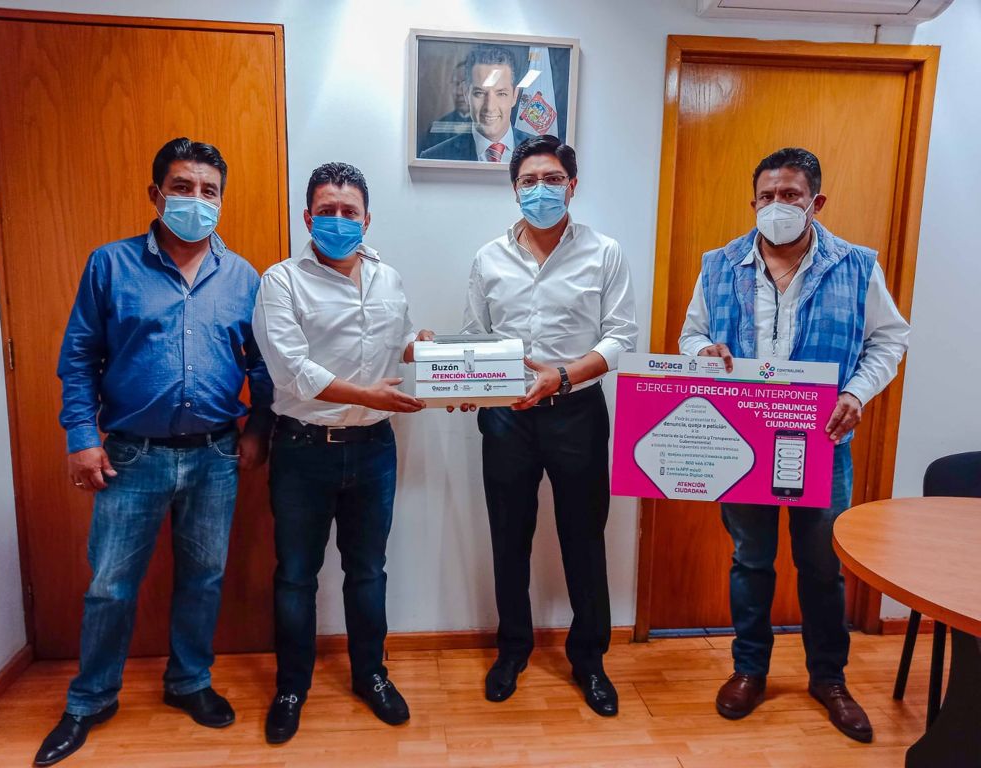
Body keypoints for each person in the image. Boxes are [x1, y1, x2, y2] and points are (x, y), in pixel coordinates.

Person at [35, 138, 273, 766]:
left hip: (215, 456)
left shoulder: (243, 277)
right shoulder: (110, 265)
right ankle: (90, 699)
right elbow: (79, 359)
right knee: (110, 585)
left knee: (204, 578)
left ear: (221, 200)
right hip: (130, 457)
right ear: (156, 194)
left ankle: (189, 681)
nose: (197, 201)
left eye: (209, 191)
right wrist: (81, 438)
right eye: (183, 187)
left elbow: (262, 366)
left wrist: (258, 430)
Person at [679, 147, 910, 743]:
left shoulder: (856, 265)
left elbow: (889, 339)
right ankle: (749, 671)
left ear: (816, 202)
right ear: (753, 202)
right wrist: (703, 352)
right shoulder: (719, 265)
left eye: (790, 195)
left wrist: (856, 392)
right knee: (750, 561)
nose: (777, 205)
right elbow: (691, 334)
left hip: (822, 441)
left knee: (822, 566)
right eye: (767, 196)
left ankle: (829, 679)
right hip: (741, 442)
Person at [253, 162, 432, 744]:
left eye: (348, 211)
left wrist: (429, 353)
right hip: (303, 451)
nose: (337, 220)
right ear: (308, 219)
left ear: (366, 219)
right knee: (295, 576)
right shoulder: (281, 281)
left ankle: (371, 675)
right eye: (325, 211)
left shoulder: (388, 278)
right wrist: (365, 394)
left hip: (374, 449)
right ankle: (291, 688)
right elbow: (291, 370)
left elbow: (399, 341)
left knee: (368, 571)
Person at [460, 135, 638, 715]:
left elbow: (620, 337)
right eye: (529, 181)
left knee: (584, 538)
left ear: (572, 186)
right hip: (506, 417)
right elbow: (475, 337)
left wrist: (562, 376)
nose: (541, 190)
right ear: (515, 189)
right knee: (508, 536)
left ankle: (590, 660)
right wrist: (461, 382)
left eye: (553, 179)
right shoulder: (487, 258)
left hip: (577, 413)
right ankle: (513, 649)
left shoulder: (604, 253)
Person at [421, 45, 530, 163]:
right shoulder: (433, 157)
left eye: (501, 94)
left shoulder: (543, 152)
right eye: (479, 93)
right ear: (466, 93)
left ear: (514, 96)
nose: (489, 107)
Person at [419, 59, 472, 152]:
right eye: (456, 84)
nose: (459, 92)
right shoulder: (436, 128)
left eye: (466, 84)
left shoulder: (488, 127)